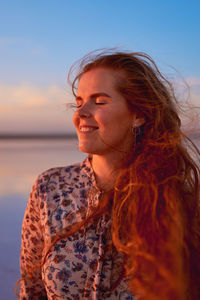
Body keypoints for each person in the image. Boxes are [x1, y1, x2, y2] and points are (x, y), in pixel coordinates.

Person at [18, 50, 200, 300]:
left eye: (99, 101)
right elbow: (32, 291)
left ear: (138, 115)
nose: (80, 114)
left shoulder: (176, 194)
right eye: (79, 102)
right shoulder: (50, 188)